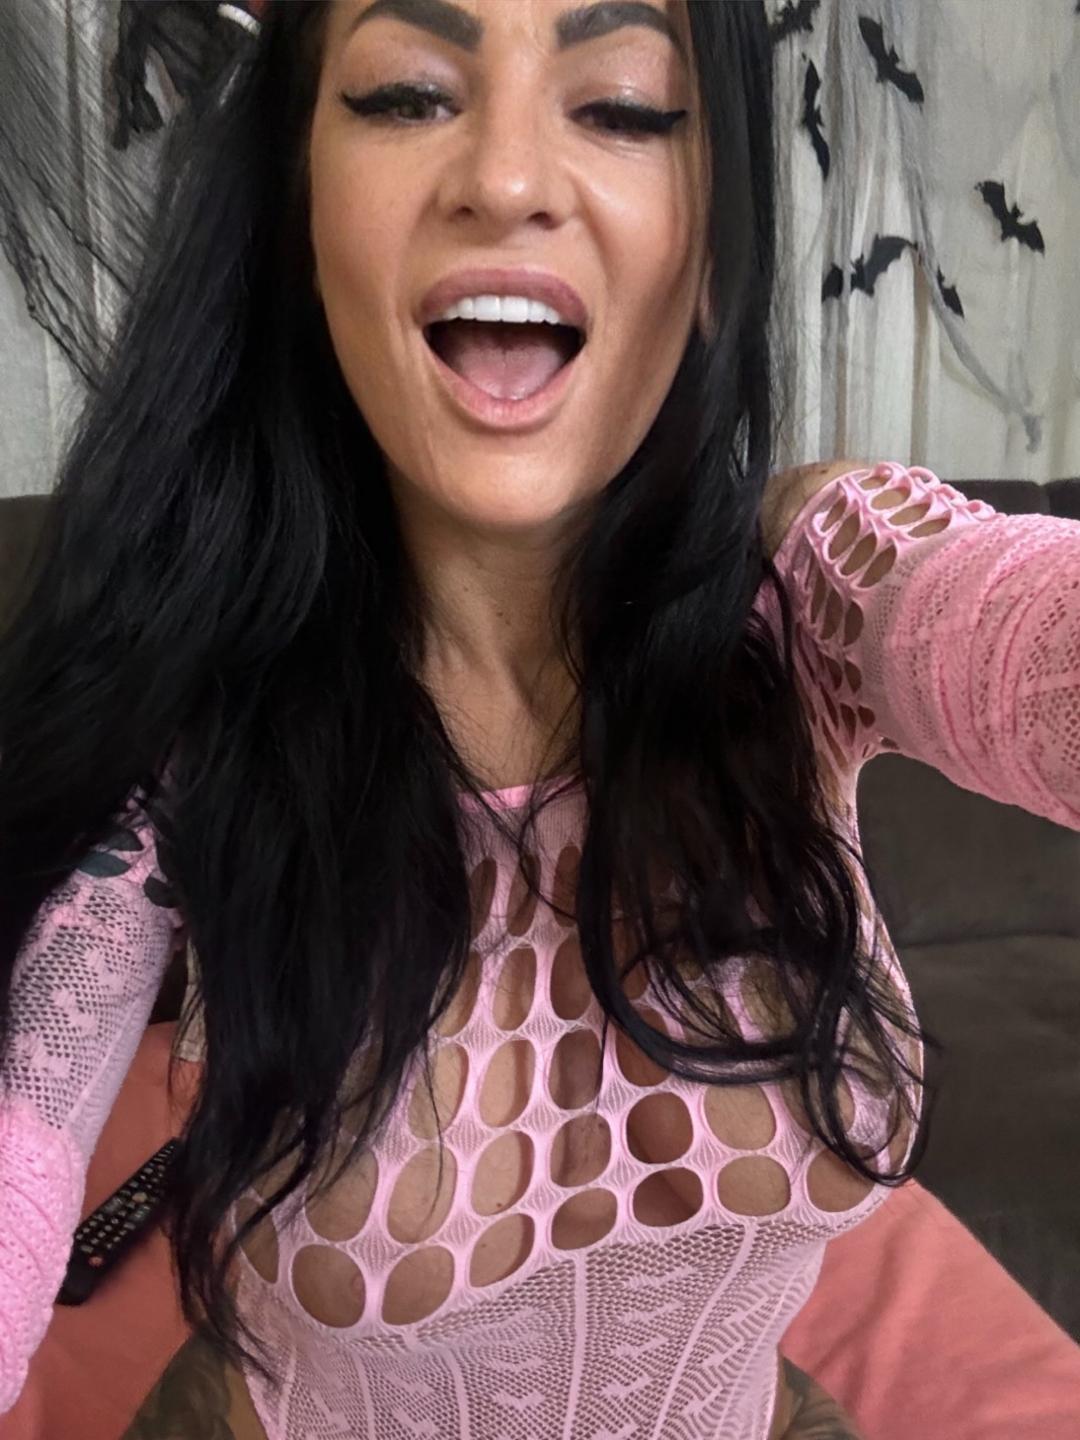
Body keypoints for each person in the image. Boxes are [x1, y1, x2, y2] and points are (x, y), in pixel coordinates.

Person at [1, 3, 1077, 1438]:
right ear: (298, 224)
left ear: (712, 256)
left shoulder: (819, 597)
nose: (506, 179)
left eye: (624, 105)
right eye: (404, 94)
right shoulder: (186, 719)